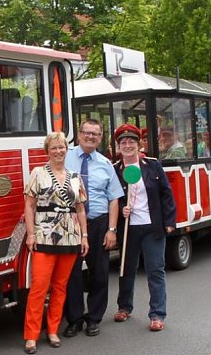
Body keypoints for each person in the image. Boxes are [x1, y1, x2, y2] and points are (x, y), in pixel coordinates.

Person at [22, 132, 89, 354]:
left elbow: (80, 209)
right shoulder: (38, 173)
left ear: (66, 150)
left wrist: (84, 236)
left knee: (60, 287)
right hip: (44, 236)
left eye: (62, 147)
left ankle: (52, 330)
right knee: (39, 287)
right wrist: (30, 234)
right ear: (47, 151)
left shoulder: (75, 177)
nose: (58, 151)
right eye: (54, 148)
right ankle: (31, 335)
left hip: (70, 237)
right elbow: (29, 206)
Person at [112, 124, 177, 332]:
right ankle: (124, 307)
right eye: (123, 142)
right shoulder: (115, 169)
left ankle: (157, 314)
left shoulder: (153, 165)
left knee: (155, 270)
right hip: (129, 228)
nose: (127, 145)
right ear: (119, 146)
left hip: (152, 226)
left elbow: (166, 194)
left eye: (131, 141)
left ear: (138, 144)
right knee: (126, 269)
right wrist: (122, 208)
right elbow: (112, 198)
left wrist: (169, 222)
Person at [63, 118, 124, 337]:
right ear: (79, 134)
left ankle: (94, 318)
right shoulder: (65, 156)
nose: (90, 136)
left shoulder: (106, 164)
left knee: (99, 273)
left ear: (100, 138)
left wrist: (112, 230)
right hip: (70, 224)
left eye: (95, 134)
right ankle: (74, 319)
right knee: (71, 274)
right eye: (86, 132)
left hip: (98, 224)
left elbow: (114, 199)